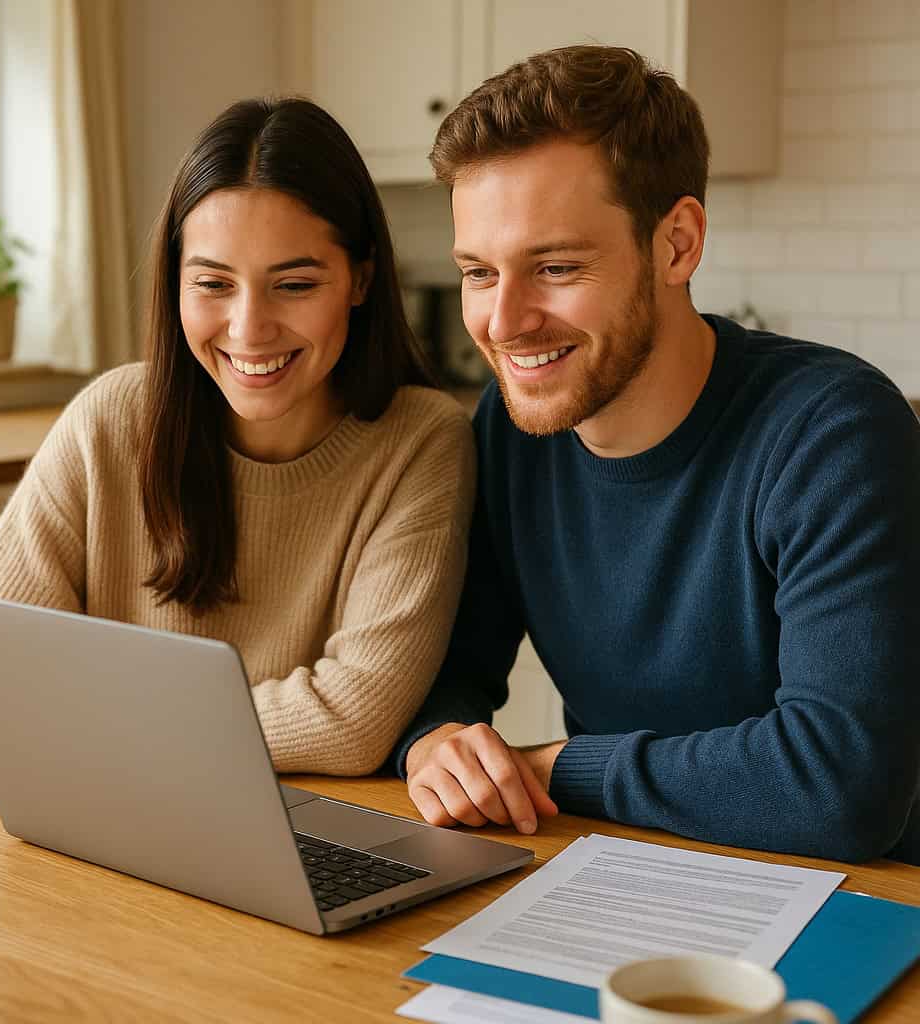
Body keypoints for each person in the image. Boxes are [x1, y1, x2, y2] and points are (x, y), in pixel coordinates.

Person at [389, 45, 920, 864]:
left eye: (555, 267)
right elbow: (448, 671)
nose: (503, 321)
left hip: (860, 895)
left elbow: (838, 783)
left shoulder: (833, 433)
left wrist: (556, 768)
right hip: (629, 868)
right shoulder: (511, 429)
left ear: (677, 244)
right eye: (478, 272)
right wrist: (439, 743)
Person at [0, 97, 475, 778]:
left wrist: (69, 725)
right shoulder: (111, 418)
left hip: (304, 839)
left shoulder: (421, 442)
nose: (248, 328)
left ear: (361, 278)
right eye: (212, 283)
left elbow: (351, 721)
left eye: (293, 284)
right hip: (104, 828)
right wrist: (156, 739)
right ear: (175, 281)